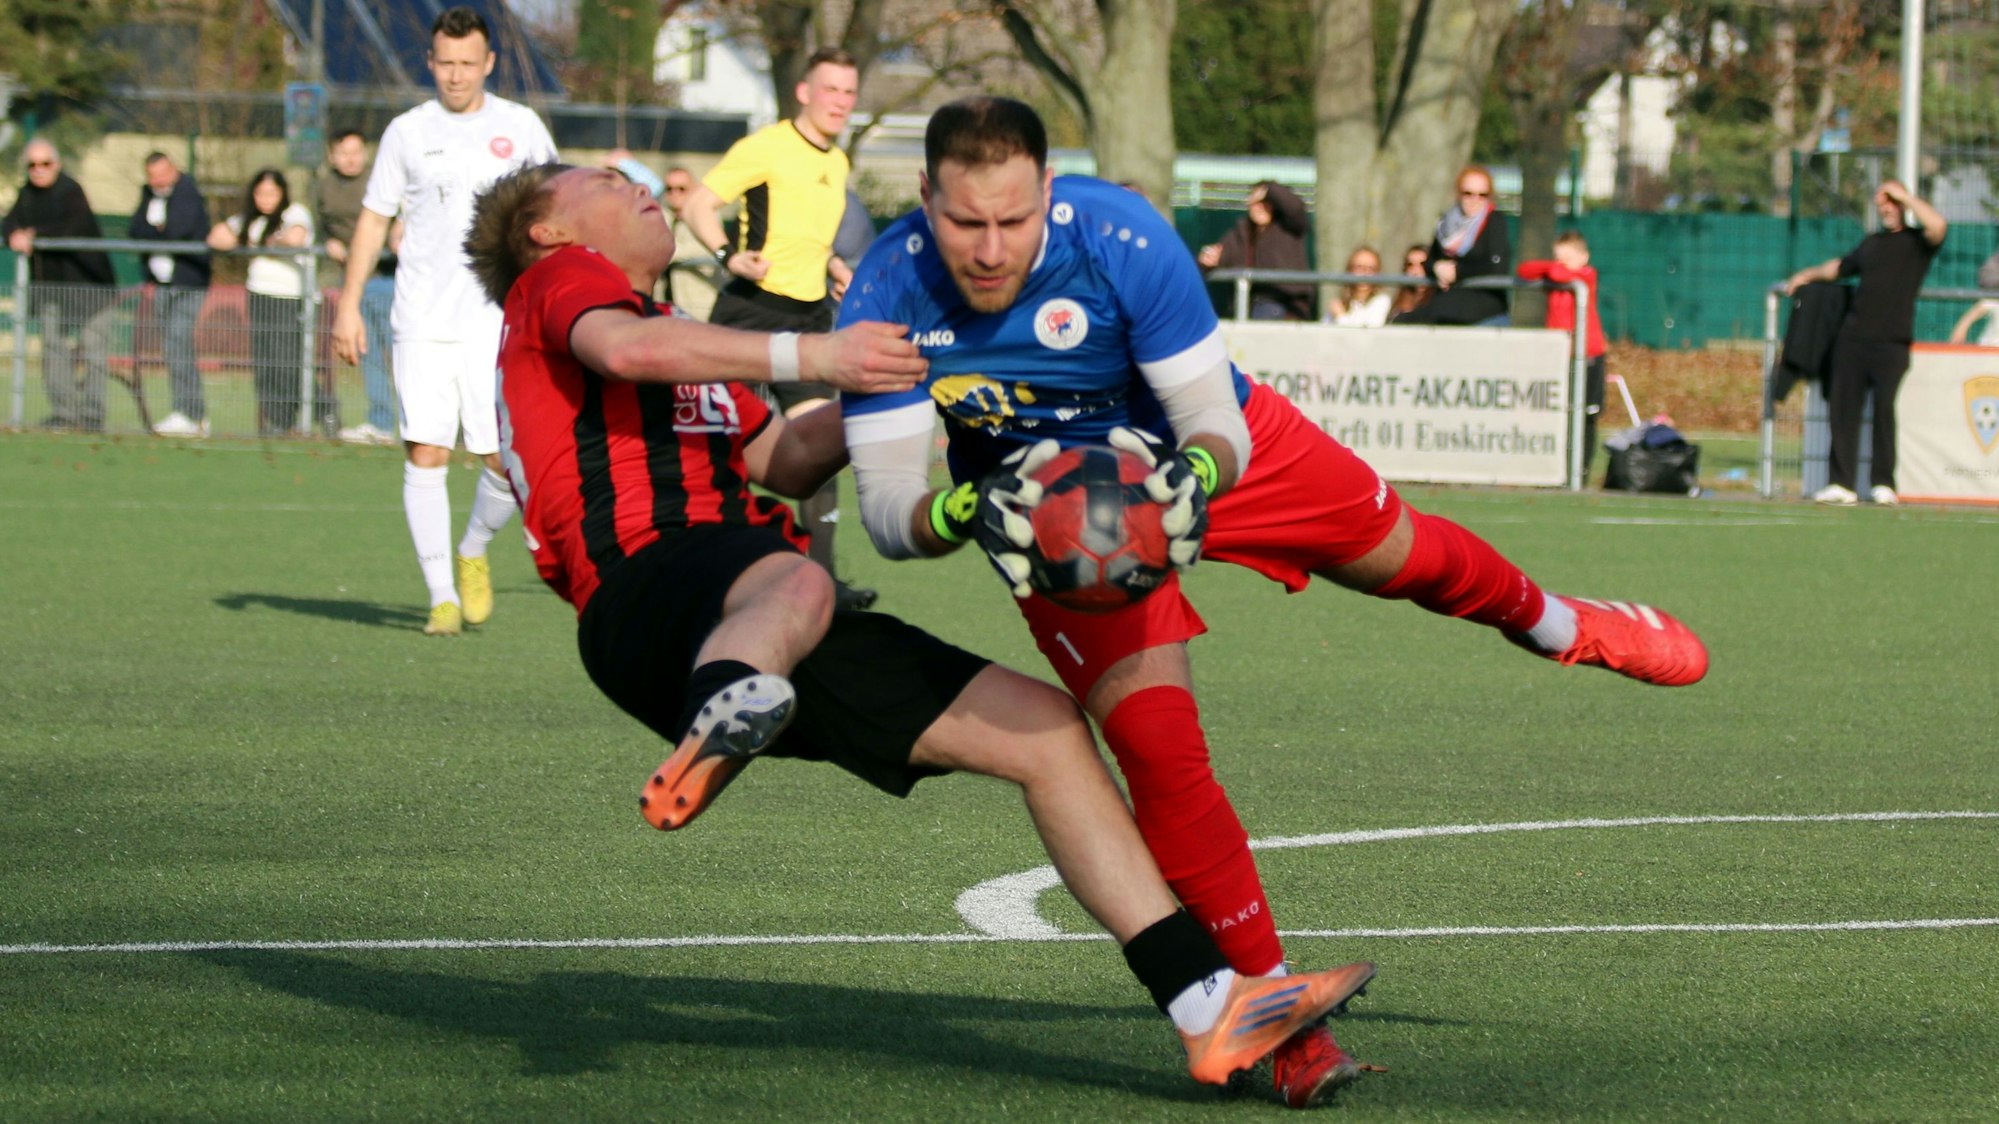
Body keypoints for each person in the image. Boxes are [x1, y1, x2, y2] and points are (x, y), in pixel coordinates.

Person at [838, 97, 1708, 1109]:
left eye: (1012, 219)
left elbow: (1212, 413)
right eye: (963, 221)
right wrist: (967, 507)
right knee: (1158, 750)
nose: (989, 248)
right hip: (1053, 527)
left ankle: (1560, 625)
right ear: (925, 199)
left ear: (1047, 193)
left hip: (1202, 459)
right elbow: (889, 511)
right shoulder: (886, 289)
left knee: (1407, 557)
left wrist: (1193, 480)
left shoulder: (1122, 240)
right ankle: (1280, 1024)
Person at [460, 160, 1377, 1093]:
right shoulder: (558, 284)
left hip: (755, 619)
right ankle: (725, 702)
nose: (633, 181)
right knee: (799, 576)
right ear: (546, 230)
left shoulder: (682, 343)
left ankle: (1208, 1007)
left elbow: (786, 458)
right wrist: (820, 354)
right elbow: (624, 352)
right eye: (601, 179)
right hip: (654, 588)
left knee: (1047, 734)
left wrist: (929, 368)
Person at [330, 5, 559, 637]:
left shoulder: (521, 126)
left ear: (489, 63)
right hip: (422, 318)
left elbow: (557, 207)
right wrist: (348, 304)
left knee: (502, 459)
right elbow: (374, 217)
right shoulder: (406, 132)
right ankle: (441, 598)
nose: (456, 75)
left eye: (467, 63)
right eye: (445, 63)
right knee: (426, 450)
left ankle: (473, 549)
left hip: (497, 322)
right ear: (430, 63)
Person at [679, 48, 875, 611]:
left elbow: (809, 236)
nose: (840, 102)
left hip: (809, 320)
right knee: (721, 450)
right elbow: (699, 204)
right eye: (830, 90)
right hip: (750, 313)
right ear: (804, 92)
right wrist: (728, 255)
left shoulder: (837, 162)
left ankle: (823, 582)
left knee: (818, 451)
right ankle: (712, 571)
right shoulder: (765, 146)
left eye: (849, 92)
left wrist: (834, 268)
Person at [1784, 179, 1946, 506]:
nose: (1886, 207)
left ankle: (1883, 483)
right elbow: (1839, 267)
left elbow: (1938, 226)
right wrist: (1807, 275)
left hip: (1892, 343)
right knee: (1843, 412)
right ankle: (1841, 483)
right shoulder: (1872, 243)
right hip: (1853, 340)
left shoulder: (1916, 243)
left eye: (1892, 201)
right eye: (1881, 202)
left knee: (1884, 412)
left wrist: (1903, 195)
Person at [3, 139, 117, 432]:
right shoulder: (26, 194)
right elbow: (9, 222)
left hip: (90, 287)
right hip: (51, 290)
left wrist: (34, 235)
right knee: (53, 349)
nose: (38, 170)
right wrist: (14, 233)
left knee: (93, 350)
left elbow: (74, 227)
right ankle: (64, 414)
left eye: (45, 163)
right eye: (32, 164)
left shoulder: (71, 191)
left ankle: (92, 417)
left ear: (56, 164)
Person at [209, 169, 321, 437]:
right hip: (259, 295)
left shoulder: (295, 212)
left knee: (290, 363)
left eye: (272, 193)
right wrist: (248, 239)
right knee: (266, 362)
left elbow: (295, 238)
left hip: (291, 297)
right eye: (261, 193)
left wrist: (269, 241)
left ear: (282, 193)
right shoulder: (249, 219)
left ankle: (324, 413)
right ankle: (278, 422)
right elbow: (216, 237)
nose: (266, 199)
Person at [318, 128, 401, 446]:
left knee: (403, 353)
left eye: (356, 152)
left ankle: (424, 422)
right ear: (332, 155)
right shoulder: (324, 185)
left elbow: (402, 213)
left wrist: (398, 232)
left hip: (388, 278)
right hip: (353, 283)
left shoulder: (381, 179)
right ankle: (381, 422)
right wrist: (329, 241)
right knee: (367, 353)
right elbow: (320, 223)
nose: (351, 159)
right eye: (343, 152)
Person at [130, 151, 213, 439]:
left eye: (163, 174)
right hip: (162, 284)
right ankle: (185, 412)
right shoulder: (148, 194)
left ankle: (192, 413)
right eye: (153, 176)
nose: (159, 181)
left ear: (174, 169)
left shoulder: (188, 192)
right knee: (172, 346)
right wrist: (158, 230)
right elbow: (135, 229)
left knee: (179, 342)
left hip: (188, 283)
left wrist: (157, 231)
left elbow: (179, 230)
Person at [1519, 231, 1611, 471]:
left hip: (1588, 354)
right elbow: (1525, 270)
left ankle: (1582, 468)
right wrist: (1553, 266)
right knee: (1560, 412)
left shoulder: (1587, 275)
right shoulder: (1555, 273)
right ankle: (1557, 467)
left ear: (1584, 257)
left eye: (1568, 258)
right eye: (1558, 258)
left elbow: (1561, 274)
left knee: (1587, 413)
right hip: (1560, 356)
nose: (1561, 264)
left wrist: (1555, 269)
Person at [1395, 165, 1510, 326]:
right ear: (1458, 193)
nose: (1474, 200)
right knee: (1402, 321)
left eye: (1482, 195)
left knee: (1411, 321)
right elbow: (1430, 260)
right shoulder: (1446, 223)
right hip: (1447, 303)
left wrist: (1458, 271)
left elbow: (1496, 266)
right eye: (1468, 193)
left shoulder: (1494, 221)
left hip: (1482, 305)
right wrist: (1437, 267)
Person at [1196, 181, 1313, 321]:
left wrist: (1269, 190)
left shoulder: (1289, 227)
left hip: (1285, 305)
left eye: (1267, 202)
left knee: (1267, 311)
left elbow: (1295, 207)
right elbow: (1221, 255)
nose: (1261, 207)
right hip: (1247, 306)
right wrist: (1208, 260)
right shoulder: (1240, 233)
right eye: (1256, 202)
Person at [659, 166, 722, 321]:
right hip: (664, 305)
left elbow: (703, 247)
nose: (675, 194)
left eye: (681, 189)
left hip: (699, 306)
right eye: (669, 189)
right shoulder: (660, 216)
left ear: (694, 189)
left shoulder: (707, 215)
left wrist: (658, 253)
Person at [1324, 245, 1391, 327]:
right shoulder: (1340, 303)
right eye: (1359, 267)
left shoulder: (1382, 301)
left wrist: (1340, 316)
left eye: (1371, 268)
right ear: (1350, 270)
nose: (1365, 272)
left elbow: (1369, 331)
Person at [1392, 243, 1432, 318]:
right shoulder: (1399, 304)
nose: (1415, 272)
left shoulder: (1440, 301)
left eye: (1423, 264)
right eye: (1410, 265)